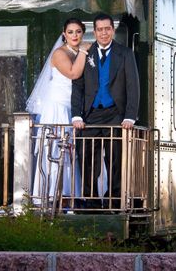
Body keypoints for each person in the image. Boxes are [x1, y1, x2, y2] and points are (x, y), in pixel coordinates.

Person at [71, 13, 140, 210]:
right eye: (99, 29)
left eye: (107, 29)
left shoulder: (125, 53)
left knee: (115, 158)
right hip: (90, 114)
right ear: (94, 31)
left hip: (115, 114)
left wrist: (129, 116)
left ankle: (114, 200)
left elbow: (133, 87)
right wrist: (77, 115)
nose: (103, 33)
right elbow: (77, 86)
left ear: (113, 30)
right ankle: (91, 201)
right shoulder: (85, 53)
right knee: (87, 159)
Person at [26, 18, 90, 206]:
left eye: (78, 31)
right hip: (57, 108)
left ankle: (68, 195)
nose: (75, 35)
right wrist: (86, 50)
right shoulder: (59, 53)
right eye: (70, 32)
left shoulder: (78, 51)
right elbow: (72, 73)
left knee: (69, 153)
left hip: (72, 108)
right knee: (54, 150)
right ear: (64, 34)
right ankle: (50, 195)